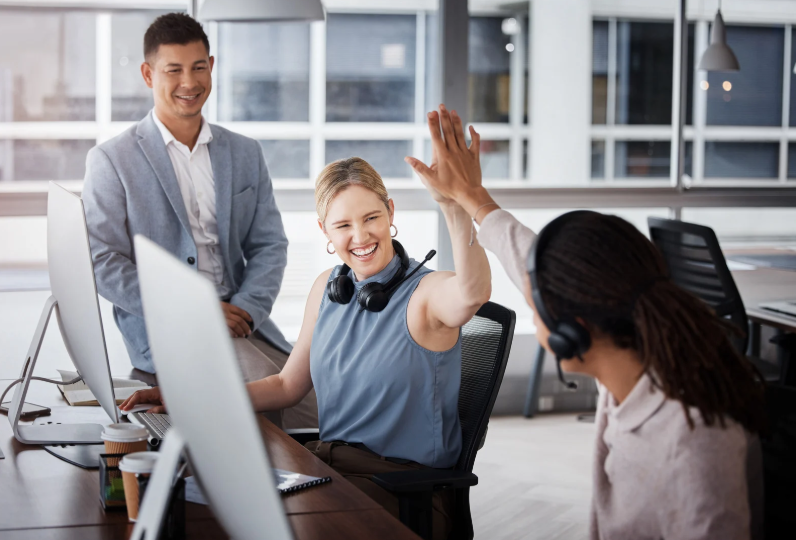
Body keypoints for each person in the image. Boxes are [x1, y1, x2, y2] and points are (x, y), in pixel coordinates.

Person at [404, 105, 767, 539]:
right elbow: (528, 255)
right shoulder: (632, 369)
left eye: (537, 299)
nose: (529, 296)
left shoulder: (695, 443)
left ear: (571, 328)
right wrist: (472, 196)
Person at [122, 116, 492, 538]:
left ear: (390, 212)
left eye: (371, 217)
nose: (361, 236)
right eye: (343, 225)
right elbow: (286, 386)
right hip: (326, 470)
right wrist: (186, 398)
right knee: (199, 505)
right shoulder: (330, 288)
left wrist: (455, 205)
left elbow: (472, 293)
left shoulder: (426, 293)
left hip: (402, 493)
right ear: (325, 231)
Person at [83, 13, 317, 429]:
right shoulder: (112, 160)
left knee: (324, 397)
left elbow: (269, 246)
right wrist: (195, 310)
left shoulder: (245, 153)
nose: (189, 83)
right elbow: (101, 261)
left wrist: (245, 310)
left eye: (198, 67)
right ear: (148, 73)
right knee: (277, 403)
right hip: (168, 331)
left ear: (212, 66)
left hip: (245, 326)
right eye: (173, 70)